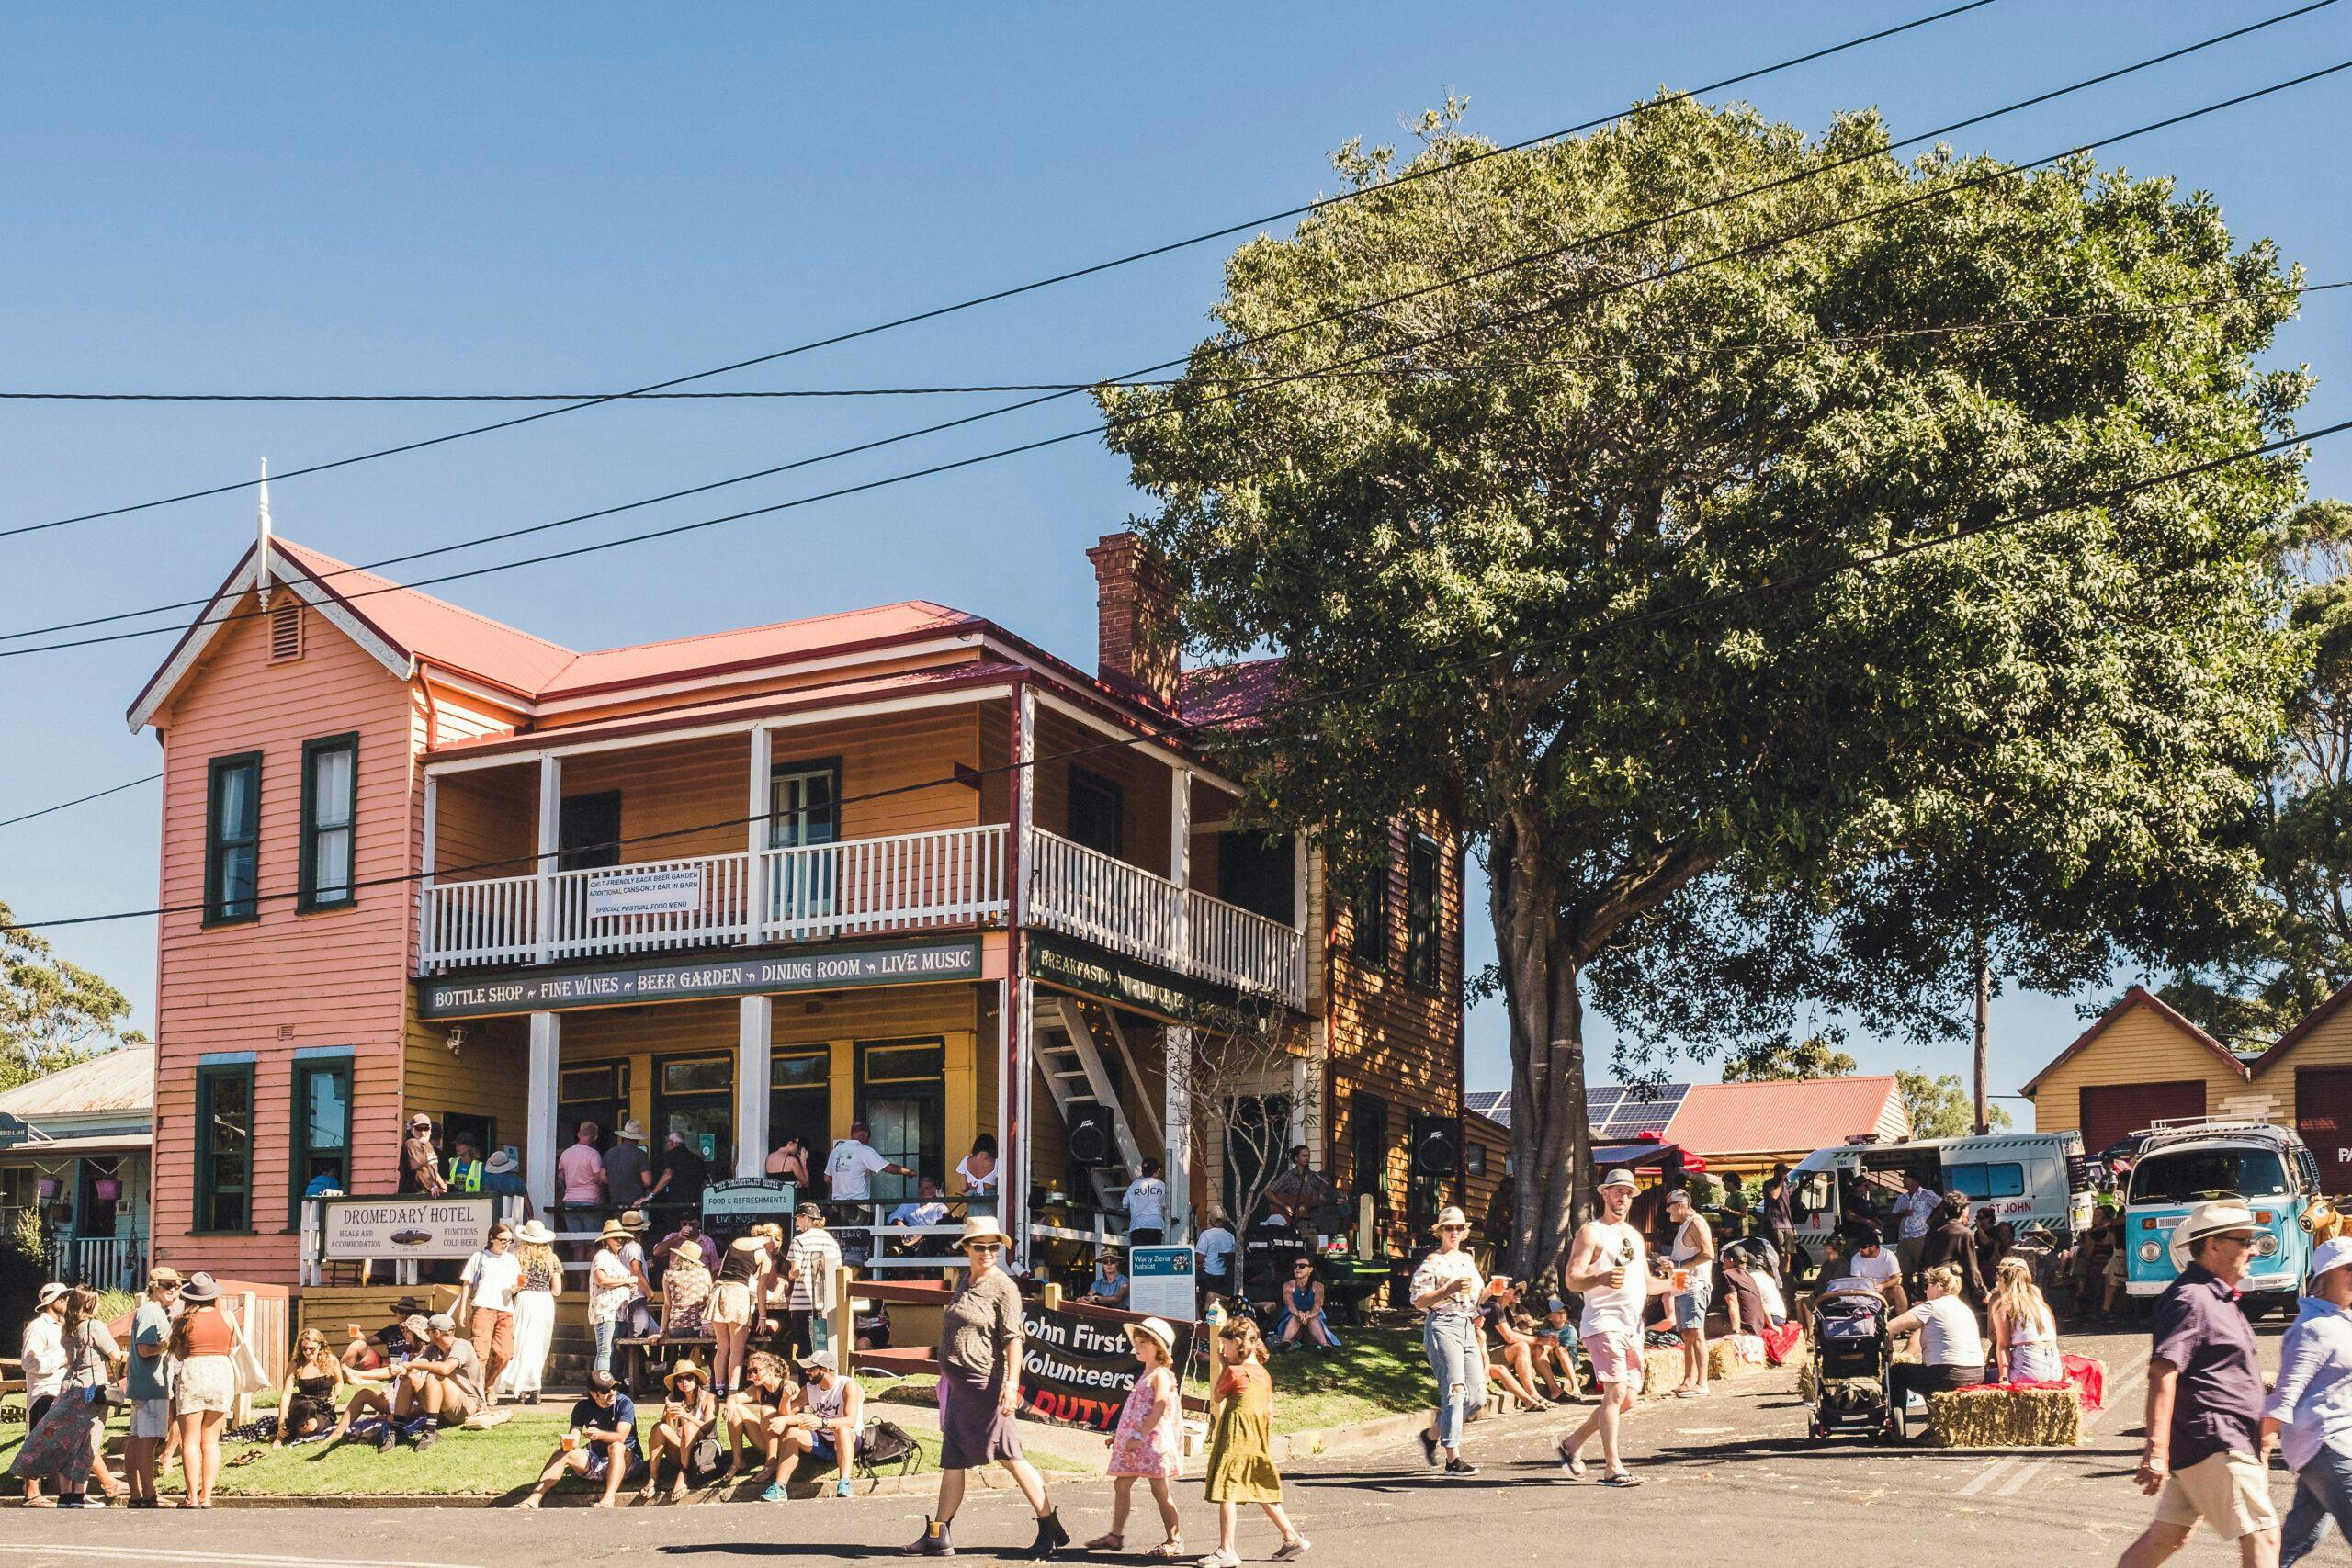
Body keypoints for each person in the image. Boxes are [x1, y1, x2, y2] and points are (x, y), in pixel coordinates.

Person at [2118, 1199, 2280, 1568]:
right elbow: (2164, 1372)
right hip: (2215, 1440)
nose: (2253, 1249)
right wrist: (2156, 1450)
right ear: (2213, 1246)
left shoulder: (2217, 1297)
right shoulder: (2191, 1299)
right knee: (2264, 1535)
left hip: (2210, 1440)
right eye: (2244, 1241)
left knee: (2169, 1536)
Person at [905, 1214, 1067, 1557]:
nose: (988, 1252)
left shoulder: (1003, 1286)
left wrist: (1012, 1385)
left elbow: (1013, 1339)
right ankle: (938, 1534)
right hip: (958, 1385)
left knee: (1010, 1454)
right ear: (966, 1248)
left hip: (984, 1384)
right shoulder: (965, 1280)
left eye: (994, 1247)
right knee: (953, 1460)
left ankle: (1049, 1526)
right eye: (981, 1247)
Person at [1557, 1168, 1670, 1487]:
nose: (1622, 1198)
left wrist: (1673, 1285)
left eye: (1628, 1193)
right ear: (1604, 1194)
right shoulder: (1591, 1232)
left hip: (1632, 1326)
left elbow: (1646, 1283)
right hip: (1603, 1322)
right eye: (1617, 1191)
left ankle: (1572, 1444)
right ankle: (1612, 1468)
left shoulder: (1633, 1236)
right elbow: (1571, 1278)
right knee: (1616, 1391)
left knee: (1628, 1398)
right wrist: (1601, 1278)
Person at [2262, 1236, 2352, 1566]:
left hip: (2333, 1441)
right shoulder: (2311, 1329)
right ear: (2325, 1277)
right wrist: (2262, 1448)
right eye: (2348, 1269)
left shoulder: (2340, 1321)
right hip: (2325, 1444)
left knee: (2301, 1537)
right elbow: (2285, 1393)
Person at [1201, 1314, 1308, 1566]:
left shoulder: (1235, 1372)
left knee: (1227, 1488)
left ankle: (1226, 1549)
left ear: (1237, 1345)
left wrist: (1224, 1366)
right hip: (1257, 1436)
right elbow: (1269, 1410)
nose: (1224, 1351)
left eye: (1226, 1346)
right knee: (1258, 1487)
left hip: (1235, 1435)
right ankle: (1291, 1537)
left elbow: (1217, 1397)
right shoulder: (1263, 1373)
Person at [7, 1285, 122, 1508]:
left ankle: (66, 1494)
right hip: (85, 1389)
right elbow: (115, 1354)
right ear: (90, 1304)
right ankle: (75, 1494)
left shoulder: (67, 1328)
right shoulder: (90, 1326)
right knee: (87, 1440)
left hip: (68, 1388)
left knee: (66, 1441)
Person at [1411, 1204, 1502, 1475]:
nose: (1454, 1232)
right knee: (1455, 1390)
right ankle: (1453, 1457)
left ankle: (1431, 1435)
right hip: (1442, 1325)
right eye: (1449, 1227)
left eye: (1459, 1228)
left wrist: (1491, 1292)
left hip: (1465, 1325)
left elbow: (1473, 1299)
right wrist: (1447, 1289)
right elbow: (1418, 1300)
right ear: (1440, 1231)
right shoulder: (1432, 1262)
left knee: (1476, 1395)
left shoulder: (1466, 1260)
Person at [1087, 1318, 1184, 1557]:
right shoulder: (1146, 1373)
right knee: (1121, 1484)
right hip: (1137, 1442)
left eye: (1143, 1343)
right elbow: (1136, 1410)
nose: (1137, 1347)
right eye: (1136, 1342)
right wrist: (1120, 1435)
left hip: (1151, 1443)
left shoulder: (1161, 1375)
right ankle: (1115, 1535)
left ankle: (1175, 1539)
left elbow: (1159, 1407)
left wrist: (1139, 1435)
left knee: (1160, 1489)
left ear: (1158, 1348)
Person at [1885, 1265, 1986, 1439]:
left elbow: (1890, 1327)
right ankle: (1937, 1423)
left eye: (1928, 1285)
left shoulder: (1932, 1306)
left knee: (1897, 1372)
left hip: (1948, 1374)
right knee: (1925, 1369)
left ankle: (1897, 1431)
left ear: (1939, 1286)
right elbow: (1923, 1336)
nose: (1925, 1290)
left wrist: (1888, 1349)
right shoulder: (1964, 1308)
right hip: (1976, 1372)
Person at [519, 1370, 641, 1509]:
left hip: (627, 1463)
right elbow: (574, 1439)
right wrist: (567, 1441)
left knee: (616, 1447)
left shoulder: (625, 1404)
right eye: (606, 1390)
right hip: (597, 1461)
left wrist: (600, 1435)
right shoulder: (582, 1407)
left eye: (614, 1387)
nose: (612, 1393)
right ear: (594, 1394)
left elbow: (621, 1437)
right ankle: (535, 1498)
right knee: (564, 1452)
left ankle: (608, 1499)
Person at [170, 1272, 239, 1507]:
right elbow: (232, 1346)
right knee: (211, 1440)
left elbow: (179, 1354)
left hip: (194, 1371)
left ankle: (191, 1495)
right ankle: (207, 1495)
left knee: (190, 1440)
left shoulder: (183, 1319)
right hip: (220, 1372)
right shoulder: (228, 1317)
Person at [773, 1348, 865, 1502]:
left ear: (825, 1370)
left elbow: (850, 1421)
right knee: (793, 1433)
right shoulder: (809, 1388)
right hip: (823, 1441)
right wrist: (785, 1398)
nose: (807, 1372)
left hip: (849, 1441)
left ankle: (845, 1482)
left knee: (841, 1429)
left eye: (811, 1369)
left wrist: (822, 1422)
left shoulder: (847, 1385)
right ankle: (779, 1487)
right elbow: (787, 1415)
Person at [124, 1268, 181, 1508]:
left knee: (136, 1439)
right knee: (147, 1442)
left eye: (177, 1285)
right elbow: (145, 1349)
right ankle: (148, 1495)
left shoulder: (152, 1310)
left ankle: (137, 1495)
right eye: (167, 1284)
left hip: (143, 1384)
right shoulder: (150, 1311)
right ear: (154, 1286)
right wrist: (169, 1344)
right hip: (152, 1383)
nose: (173, 1289)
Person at [387, 1314, 486, 1450]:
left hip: (470, 1406)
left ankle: (431, 1430)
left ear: (437, 1333)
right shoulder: (433, 1348)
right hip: (446, 1406)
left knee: (434, 1376)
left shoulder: (462, 1346)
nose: (425, 1334)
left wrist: (412, 1366)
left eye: (428, 1331)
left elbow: (445, 1369)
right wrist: (402, 1369)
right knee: (409, 1378)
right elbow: (417, 1365)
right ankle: (397, 1430)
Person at [456, 1219, 523, 1402]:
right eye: (503, 1240)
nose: (507, 1244)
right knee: (480, 1353)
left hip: (505, 1309)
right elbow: (467, 1284)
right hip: (483, 1307)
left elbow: (515, 1285)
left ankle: (488, 1383)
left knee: (505, 1352)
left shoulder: (512, 1260)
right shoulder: (479, 1257)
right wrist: (462, 1311)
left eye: (510, 1241)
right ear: (492, 1239)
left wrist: (517, 1288)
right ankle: (479, 1393)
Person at [640, 1358, 719, 1504]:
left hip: (703, 1450)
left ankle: (684, 1473)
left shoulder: (709, 1398)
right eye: (679, 1379)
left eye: (689, 1378)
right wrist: (668, 1416)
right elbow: (668, 1429)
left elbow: (708, 1428)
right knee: (659, 1427)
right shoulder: (673, 1398)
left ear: (696, 1379)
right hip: (681, 1448)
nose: (684, 1382)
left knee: (689, 1426)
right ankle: (653, 1477)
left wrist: (685, 1416)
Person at [1662, 1188, 1716, 1399]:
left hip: (1695, 1286)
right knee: (1686, 1334)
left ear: (1681, 1204)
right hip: (1682, 1285)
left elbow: (1708, 1254)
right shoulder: (1684, 1225)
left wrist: (1678, 1264)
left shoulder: (1696, 1223)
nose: (1668, 1211)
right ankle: (1688, 1380)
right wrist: (1669, 1267)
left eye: (1669, 1206)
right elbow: (1682, 1258)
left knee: (1696, 1333)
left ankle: (1702, 1383)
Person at [17, 1282, 67, 1506]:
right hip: (43, 1392)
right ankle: (31, 1492)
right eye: (63, 1297)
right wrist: (61, 1360)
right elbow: (29, 1362)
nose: (67, 1301)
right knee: (37, 1441)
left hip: (62, 1390)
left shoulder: (63, 1326)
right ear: (51, 1302)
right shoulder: (38, 1327)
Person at [507, 1219, 564, 1404]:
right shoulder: (552, 1259)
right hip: (545, 1301)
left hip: (526, 1299)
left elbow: (515, 1286)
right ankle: (535, 1389)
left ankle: (523, 1387)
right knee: (540, 1345)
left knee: (522, 1344)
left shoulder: (517, 1257)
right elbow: (557, 1291)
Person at [721, 1349, 797, 1482]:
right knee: (735, 1409)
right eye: (749, 1371)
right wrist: (730, 1401)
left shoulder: (788, 1386)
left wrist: (786, 1397)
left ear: (770, 1369)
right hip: (767, 1440)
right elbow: (735, 1398)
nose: (752, 1375)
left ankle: (771, 1463)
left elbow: (792, 1419)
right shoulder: (758, 1390)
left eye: (755, 1370)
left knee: (767, 1410)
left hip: (787, 1443)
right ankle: (738, 1461)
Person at [710, 1233, 773, 1394]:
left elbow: (722, 1268)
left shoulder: (736, 1242)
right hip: (738, 1293)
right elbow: (761, 1288)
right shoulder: (764, 1255)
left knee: (722, 1347)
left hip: (719, 1290)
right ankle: (733, 1390)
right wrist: (763, 1317)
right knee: (737, 1349)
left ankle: (719, 1389)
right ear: (771, 1240)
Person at [1990, 1255, 2064, 1384]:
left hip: (2029, 1369)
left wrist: (2004, 1378)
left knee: (1984, 1377)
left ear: (2002, 1279)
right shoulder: (2039, 1302)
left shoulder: (2004, 1304)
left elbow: (2003, 1345)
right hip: (2055, 1369)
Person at [271, 1327, 350, 1447]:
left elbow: (339, 1382)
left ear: (321, 1346)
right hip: (303, 1404)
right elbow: (286, 1394)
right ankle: (279, 1436)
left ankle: (291, 1431)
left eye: (312, 1349)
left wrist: (335, 1394)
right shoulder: (296, 1364)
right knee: (308, 1406)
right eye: (304, 1349)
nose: (308, 1352)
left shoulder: (331, 1360)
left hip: (324, 1407)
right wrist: (280, 1421)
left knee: (312, 1428)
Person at [786, 1202, 842, 1358]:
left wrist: (790, 1275)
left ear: (806, 1218)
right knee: (824, 1347)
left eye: (798, 1219)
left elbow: (795, 1272)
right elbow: (838, 1271)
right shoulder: (831, 1241)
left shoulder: (799, 1240)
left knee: (805, 1349)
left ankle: (807, 1381)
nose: (797, 1223)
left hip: (803, 1302)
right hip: (827, 1302)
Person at [1479, 1281, 1548, 1406]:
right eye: (1516, 1290)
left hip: (1497, 1351)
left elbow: (1516, 1332)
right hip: (1486, 1354)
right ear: (1504, 1291)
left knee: (1532, 1344)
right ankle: (1533, 1394)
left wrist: (1537, 1337)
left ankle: (1553, 1389)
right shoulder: (1493, 1307)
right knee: (1522, 1346)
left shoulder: (1505, 1309)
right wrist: (1539, 1339)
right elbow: (1510, 1337)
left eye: (1520, 1292)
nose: (1519, 1294)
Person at [588, 1220, 638, 1376]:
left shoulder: (617, 1259)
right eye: (616, 1238)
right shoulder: (602, 1255)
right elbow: (601, 1279)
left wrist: (629, 1287)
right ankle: (600, 1386)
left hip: (619, 1312)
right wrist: (627, 1281)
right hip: (606, 1310)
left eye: (622, 1238)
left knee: (613, 1351)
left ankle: (608, 1384)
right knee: (605, 1350)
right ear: (607, 1240)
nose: (620, 1241)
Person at [826, 1120, 914, 1207]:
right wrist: (908, 1172)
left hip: (838, 1204)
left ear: (852, 1133)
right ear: (867, 1134)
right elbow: (889, 1168)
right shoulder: (865, 1150)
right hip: (858, 1204)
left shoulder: (836, 1151)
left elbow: (827, 1178)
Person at [1920, 1196, 1987, 1305]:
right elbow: (1971, 1265)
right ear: (1963, 1210)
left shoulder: (1934, 1231)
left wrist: (1920, 1292)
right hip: (1952, 1284)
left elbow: (1923, 1260)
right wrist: (1982, 1291)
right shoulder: (1964, 1233)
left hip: (1932, 1283)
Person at [1262, 1145, 1338, 1231]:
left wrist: (1334, 1199)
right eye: (1304, 1156)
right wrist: (1283, 1206)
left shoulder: (1315, 1177)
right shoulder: (1289, 1176)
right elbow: (1268, 1192)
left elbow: (1323, 1197)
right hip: (1296, 1224)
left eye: (1309, 1156)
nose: (1307, 1158)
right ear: (1296, 1158)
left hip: (1314, 1224)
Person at [1278, 1255, 1339, 1352]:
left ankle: (1325, 1346)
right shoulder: (1288, 1285)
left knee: (1314, 1318)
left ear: (1310, 1270)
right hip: (1291, 1321)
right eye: (1295, 1266)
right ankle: (1285, 1341)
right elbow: (1288, 1301)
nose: (1297, 1268)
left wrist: (1310, 1315)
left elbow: (1318, 1303)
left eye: (1301, 1266)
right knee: (1296, 1317)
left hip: (1312, 1323)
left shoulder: (1318, 1286)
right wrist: (1298, 1313)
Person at [1891, 1170, 1943, 1282]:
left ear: (1915, 1181)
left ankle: (1922, 1294)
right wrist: (1902, 1213)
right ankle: (1908, 1296)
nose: (1903, 1180)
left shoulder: (1927, 1194)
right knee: (1905, 1271)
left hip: (1920, 1236)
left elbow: (1942, 1205)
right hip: (1904, 1238)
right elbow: (1893, 1216)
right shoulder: (1902, 1198)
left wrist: (1931, 1219)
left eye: (1906, 1178)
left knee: (1922, 1268)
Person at [1846, 1226, 1909, 1315]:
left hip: (1884, 1292)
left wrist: (1883, 1286)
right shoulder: (1856, 1258)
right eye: (1859, 1247)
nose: (1860, 1250)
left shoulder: (1888, 1255)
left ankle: (1902, 1324)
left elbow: (1896, 1278)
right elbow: (1856, 1281)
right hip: (1864, 1293)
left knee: (1898, 1289)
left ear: (1874, 1247)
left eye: (1863, 1247)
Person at [1529, 1294, 1581, 1401]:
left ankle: (1576, 1387)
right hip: (1552, 1364)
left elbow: (1567, 1350)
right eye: (1558, 1312)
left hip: (1568, 1362)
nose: (1563, 1314)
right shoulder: (1544, 1331)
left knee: (1560, 1350)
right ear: (1550, 1317)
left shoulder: (1570, 1330)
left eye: (1564, 1312)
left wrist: (1555, 1346)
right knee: (1543, 1345)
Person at [661, 1241, 715, 1340]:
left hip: (675, 1328)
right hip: (698, 1327)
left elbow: (667, 1305)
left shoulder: (668, 1274)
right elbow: (710, 1299)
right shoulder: (704, 1273)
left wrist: (662, 1331)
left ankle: (672, 1356)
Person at [557, 1120, 608, 1225]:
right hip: (590, 1198)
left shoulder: (566, 1153)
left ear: (578, 1134)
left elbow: (560, 1178)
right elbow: (598, 1179)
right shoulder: (593, 1154)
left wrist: (565, 1195)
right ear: (595, 1137)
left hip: (570, 1200)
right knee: (592, 1238)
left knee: (574, 1239)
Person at [647, 1127, 712, 1209]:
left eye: (667, 1142)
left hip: (674, 1201)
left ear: (671, 1143)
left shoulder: (668, 1156)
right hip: (695, 1201)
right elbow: (705, 1181)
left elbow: (668, 1175)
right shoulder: (696, 1158)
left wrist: (651, 1195)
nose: (666, 1145)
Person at [652, 1215, 722, 1281]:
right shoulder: (673, 1236)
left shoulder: (707, 1241)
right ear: (680, 1223)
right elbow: (657, 1252)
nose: (688, 1227)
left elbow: (715, 1267)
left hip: (701, 1282)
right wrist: (677, 1238)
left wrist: (713, 1285)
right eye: (684, 1224)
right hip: (678, 1283)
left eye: (692, 1224)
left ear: (698, 1224)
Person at [605, 1119, 653, 1212]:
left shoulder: (610, 1153)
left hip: (615, 1202)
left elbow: (601, 1177)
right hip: (636, 1202)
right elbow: (647, 1181)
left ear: (623, 1136)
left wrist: (616, 1183)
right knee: (635, 1225)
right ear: (638, 1138)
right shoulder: (641, 1155)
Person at [1123, 1157, 1169, 1247]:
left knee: (1139, 1256)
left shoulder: (1135, 1184)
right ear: (1156, 1171)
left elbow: (1125, 1203)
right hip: (1156, 1225)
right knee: (1153, 1255)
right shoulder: (1161, 1185)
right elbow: (1165, 1204)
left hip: (1137, 1225)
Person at [401, 1112, 447, 1195]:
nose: (423, 1132)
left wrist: (442, 1186)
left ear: (430, 1129)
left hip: (429, 1193)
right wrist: (433, 1187)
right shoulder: (412, 1143)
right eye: (419, 1129)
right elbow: (421, 1168)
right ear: (412, 1128)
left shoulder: (427, 1144)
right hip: (413, 1196)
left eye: (426, 1128)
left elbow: (432, 1170)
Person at [1197, 1209, 1238, 1302]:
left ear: (1210, 1220)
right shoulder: (1230, 1236)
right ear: (1224, 1221)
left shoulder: (1206, 1235)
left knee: (1191, 1281)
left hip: (1209, 1275)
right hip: (1225, 1275)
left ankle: (1199, 1312)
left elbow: (1200, 1258)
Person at [1762, 1162, 1796, 1266]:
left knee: (1789, 1254)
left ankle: (1786, 1275)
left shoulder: (1786, 1185)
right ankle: (1779, 1276)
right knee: (1780, 1253)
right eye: (1783, 1172)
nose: (1785, 1174)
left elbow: (1787, 1207)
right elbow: (1774, 1196)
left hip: (1787, 1224)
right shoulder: (1768, 1184)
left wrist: (1792, 1225)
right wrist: (1781, 1182)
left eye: (1786, 1172)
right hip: (1775, 1223)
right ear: (1776, 1172)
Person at [481, 1146, 531, 1215]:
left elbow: (485, 1200)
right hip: (515, 1217)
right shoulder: (517, 1179)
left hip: (494, 1216)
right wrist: (531, 1218)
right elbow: (527, 1202)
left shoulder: (487, 1180)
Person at [957, 1133, 999, 1199]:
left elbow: (963, 1188)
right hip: (990, 1201)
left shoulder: (966, 1161)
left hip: (972, 1201)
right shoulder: (996, 1162)